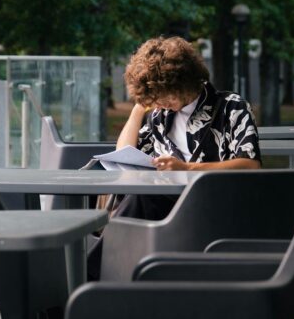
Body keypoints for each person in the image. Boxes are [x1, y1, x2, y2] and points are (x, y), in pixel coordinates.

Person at [87, 36, 261, 279]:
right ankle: (100, 279)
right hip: (168, 206)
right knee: (138, 202)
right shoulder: (161, 116)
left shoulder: (231, 107)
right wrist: (139, 108)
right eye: (154, 97)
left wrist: (186, 168)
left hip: (216, 203)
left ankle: (88, 280)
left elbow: (250, 165)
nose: (159, 101)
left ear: (183, 80)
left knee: (138, 204)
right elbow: (124, 152)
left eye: (163, 93)